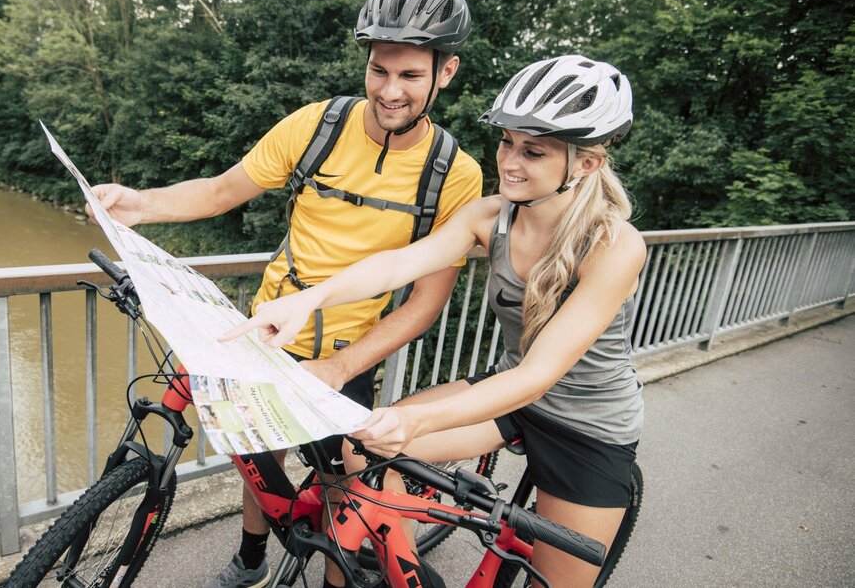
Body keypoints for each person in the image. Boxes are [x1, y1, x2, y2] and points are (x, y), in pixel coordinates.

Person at [87, 0, 484, 588]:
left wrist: (342, 366)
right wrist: (137, 203)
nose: (390, 90)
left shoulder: (453, 174)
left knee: (341, 497)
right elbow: (221, 191)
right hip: (270, 327)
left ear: (446, 73)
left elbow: (424, 305)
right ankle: (251, 557)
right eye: (380, 70)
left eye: (410, 75)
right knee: (258, 457)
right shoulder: (318, 126)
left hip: (349, 354)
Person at [223, 54, 645, 588]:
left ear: (585, 164)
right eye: (507, 143)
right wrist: (309, 300)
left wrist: (417, 423)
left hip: (585, 425)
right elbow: (399, 263)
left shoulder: (614, 244)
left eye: (533, 152)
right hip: (508, 395)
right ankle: (402, 570)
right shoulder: (491, 215)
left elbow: (538, 375)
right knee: (363, 447)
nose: (510, 163)